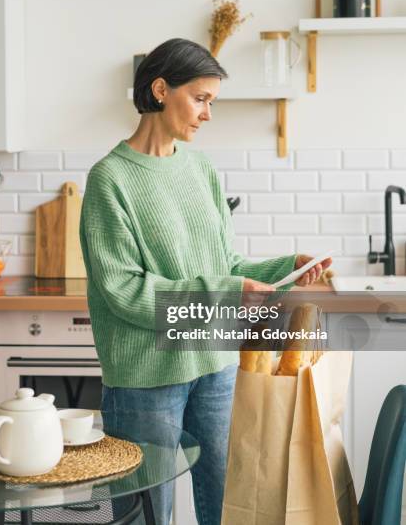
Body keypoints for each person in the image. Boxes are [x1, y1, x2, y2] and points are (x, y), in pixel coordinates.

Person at [79, 38, 331, 525]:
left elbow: (226, 264)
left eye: (211, 101)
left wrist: (286, 267)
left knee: (229, 504)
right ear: (159, 90)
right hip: (146, 380)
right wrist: (227, 293)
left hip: (214, 366)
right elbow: (126, 292)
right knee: (145, 512)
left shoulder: (202, 170)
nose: (207, 114)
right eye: (200, 98)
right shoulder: (110, 179)